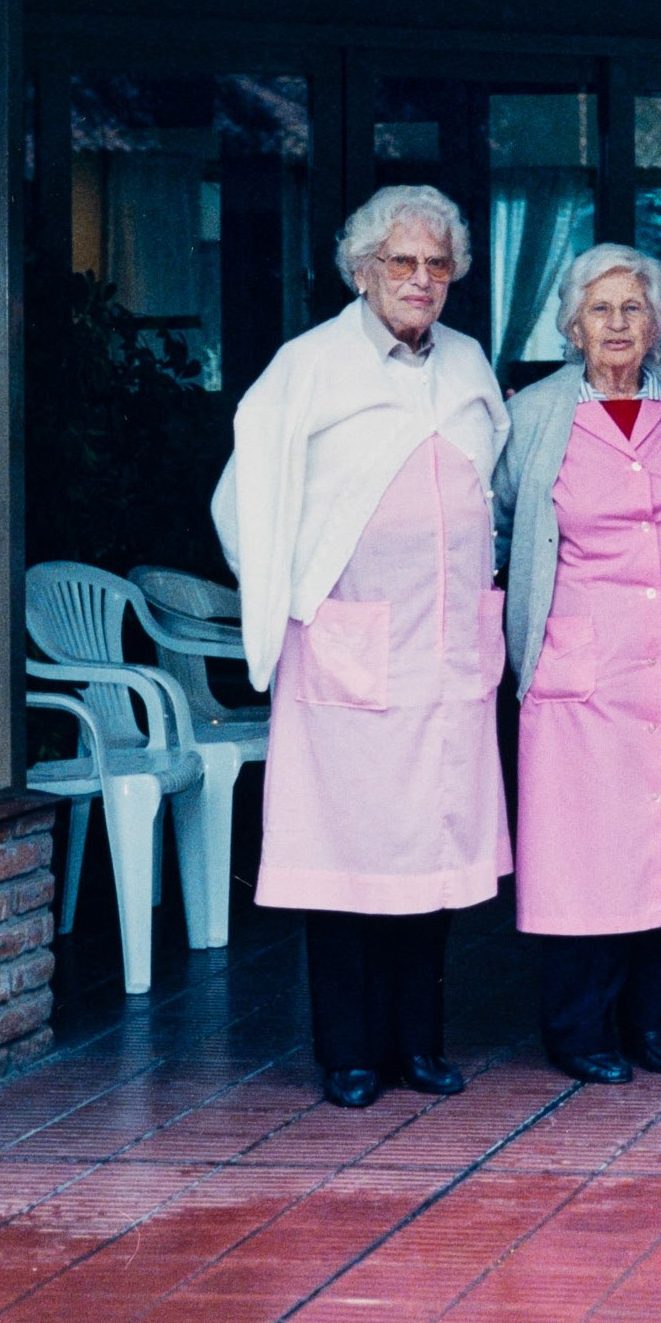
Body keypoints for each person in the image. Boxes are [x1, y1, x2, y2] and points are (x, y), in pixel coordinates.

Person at [212, 184, 510, 1110]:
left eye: (436, 263)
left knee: (433, 851)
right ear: (362, 270)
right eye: (401, 261)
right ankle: (348, 1050)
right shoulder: (309, 365)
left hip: (445, 651)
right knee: (346, 854)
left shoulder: (468, 361)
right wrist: (295, 594)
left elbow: (492, 481)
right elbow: (239, 503)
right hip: (346, 645)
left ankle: (418, 1042)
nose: (420, 279)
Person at [495, 243, 661, 1084]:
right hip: (584, 664)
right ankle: (580, 1028)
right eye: (600, 309)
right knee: (585, 851)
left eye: (633, 307)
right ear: (572, 325)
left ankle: (656, 1021)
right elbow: (505, 515)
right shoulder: (535, 412)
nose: (618, 323)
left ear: (658, 323)